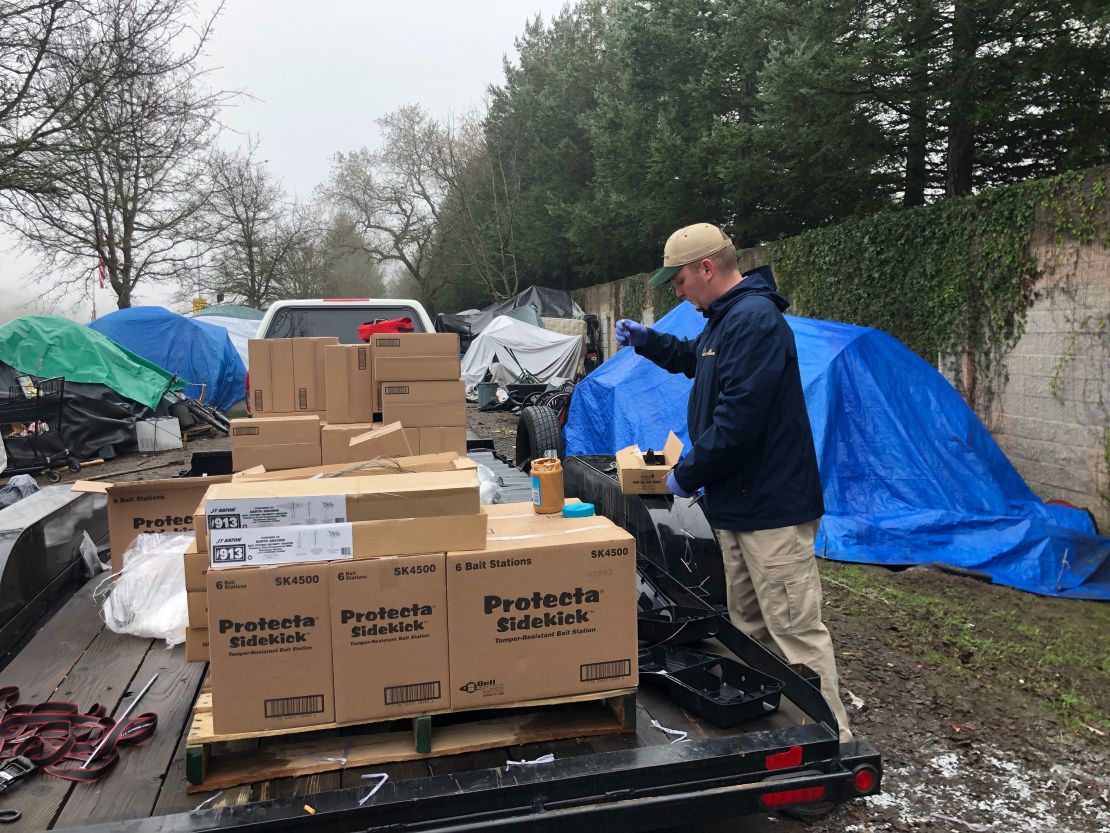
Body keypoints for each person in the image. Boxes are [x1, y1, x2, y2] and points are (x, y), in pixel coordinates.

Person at [615, 222, 852, 742]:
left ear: (706, 268)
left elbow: (740, 420)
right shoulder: (724, 322)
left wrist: (684, 475)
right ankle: (778, 726)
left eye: (678, 281)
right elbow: (693, 360)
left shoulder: (755, 321)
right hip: (738, 506)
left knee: (794, 631)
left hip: (772, 510)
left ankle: (833, 740)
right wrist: (648, 341)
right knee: (748, 630)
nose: (676, 292)